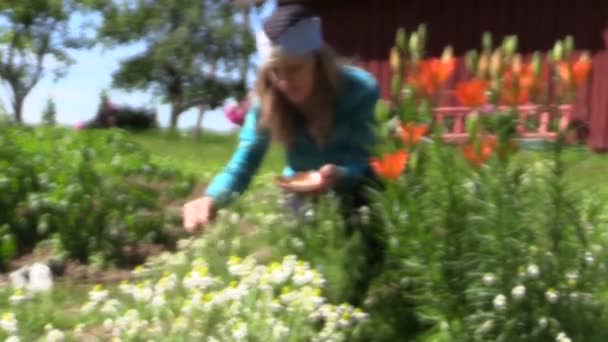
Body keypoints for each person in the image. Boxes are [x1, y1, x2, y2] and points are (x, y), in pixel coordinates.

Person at [182, 4, 384, 304]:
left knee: (361, 267)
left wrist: (340, 175)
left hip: (358, 187)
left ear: (317, 61)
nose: (286, 82)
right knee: (307, 273)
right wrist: (212, 198)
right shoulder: (267, 101)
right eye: (276, 71)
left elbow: (362, 156)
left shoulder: (358, 90)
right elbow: (244, 163)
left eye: (295, 69)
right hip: (301, 191)